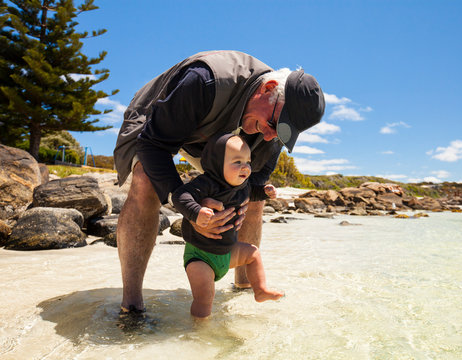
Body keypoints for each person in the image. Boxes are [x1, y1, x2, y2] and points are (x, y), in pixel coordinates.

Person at [113, 50, 324, 314]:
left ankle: (244, 289)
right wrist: (189, 208)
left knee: (253, 199)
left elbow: (253, 184)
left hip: (220, 141)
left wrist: (237, 204)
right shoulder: (204, 81)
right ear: (268, 88)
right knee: (145, 179)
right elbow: (154, 144)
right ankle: (131, 305)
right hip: (159, 120)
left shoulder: (272, 131)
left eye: (283, 132)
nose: (272, 135)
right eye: (276, 123)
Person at [172, 133, 283, 318]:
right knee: (205, 299)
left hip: (228, 253)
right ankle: (199, 330)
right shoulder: (205, 184)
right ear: (216, 163)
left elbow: (252, 194)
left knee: (253, 253)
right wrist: (196, 212)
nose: (245, 167)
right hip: (200, 257)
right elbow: (180, 196)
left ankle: (260, 290)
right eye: (237, 161)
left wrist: (264, 192)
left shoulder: (243, 186)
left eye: (248, 162)